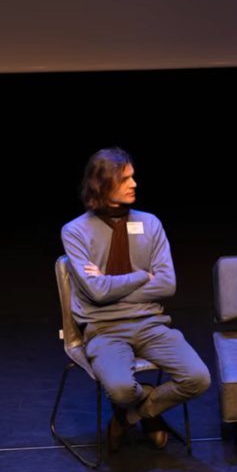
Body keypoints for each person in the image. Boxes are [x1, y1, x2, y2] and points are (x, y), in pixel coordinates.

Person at [60, 147, 211, 453]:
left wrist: (107, 283)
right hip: (104, 330)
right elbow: (95, 293)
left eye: (133, 177)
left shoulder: (150, 223)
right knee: (119, 388)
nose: (134, 184)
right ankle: (146, 405)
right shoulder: (75, 231)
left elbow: (167, 285)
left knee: (198, 379)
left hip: (151, 324)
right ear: (102, 183)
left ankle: (132, 417)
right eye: (125, 179)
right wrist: (142, 276)